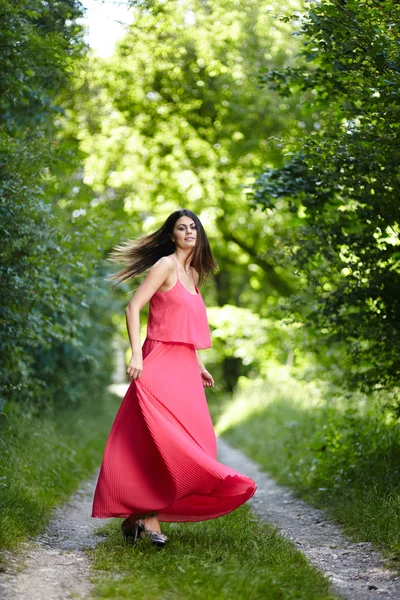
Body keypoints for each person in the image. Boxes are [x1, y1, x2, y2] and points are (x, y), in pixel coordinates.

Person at [91, 209, 257, 547]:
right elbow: (133, 307)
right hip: (158, 362)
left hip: (184, 366)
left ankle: (135, 518)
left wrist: (198, 363)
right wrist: (136, 353)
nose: (189, 232)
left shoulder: (193, 274)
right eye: (181, 228)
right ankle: (150, 520)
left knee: (199, 443)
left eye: (193, 227)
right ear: (172, 235)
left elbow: (184, 324)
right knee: (160, 442)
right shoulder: (164, 265)